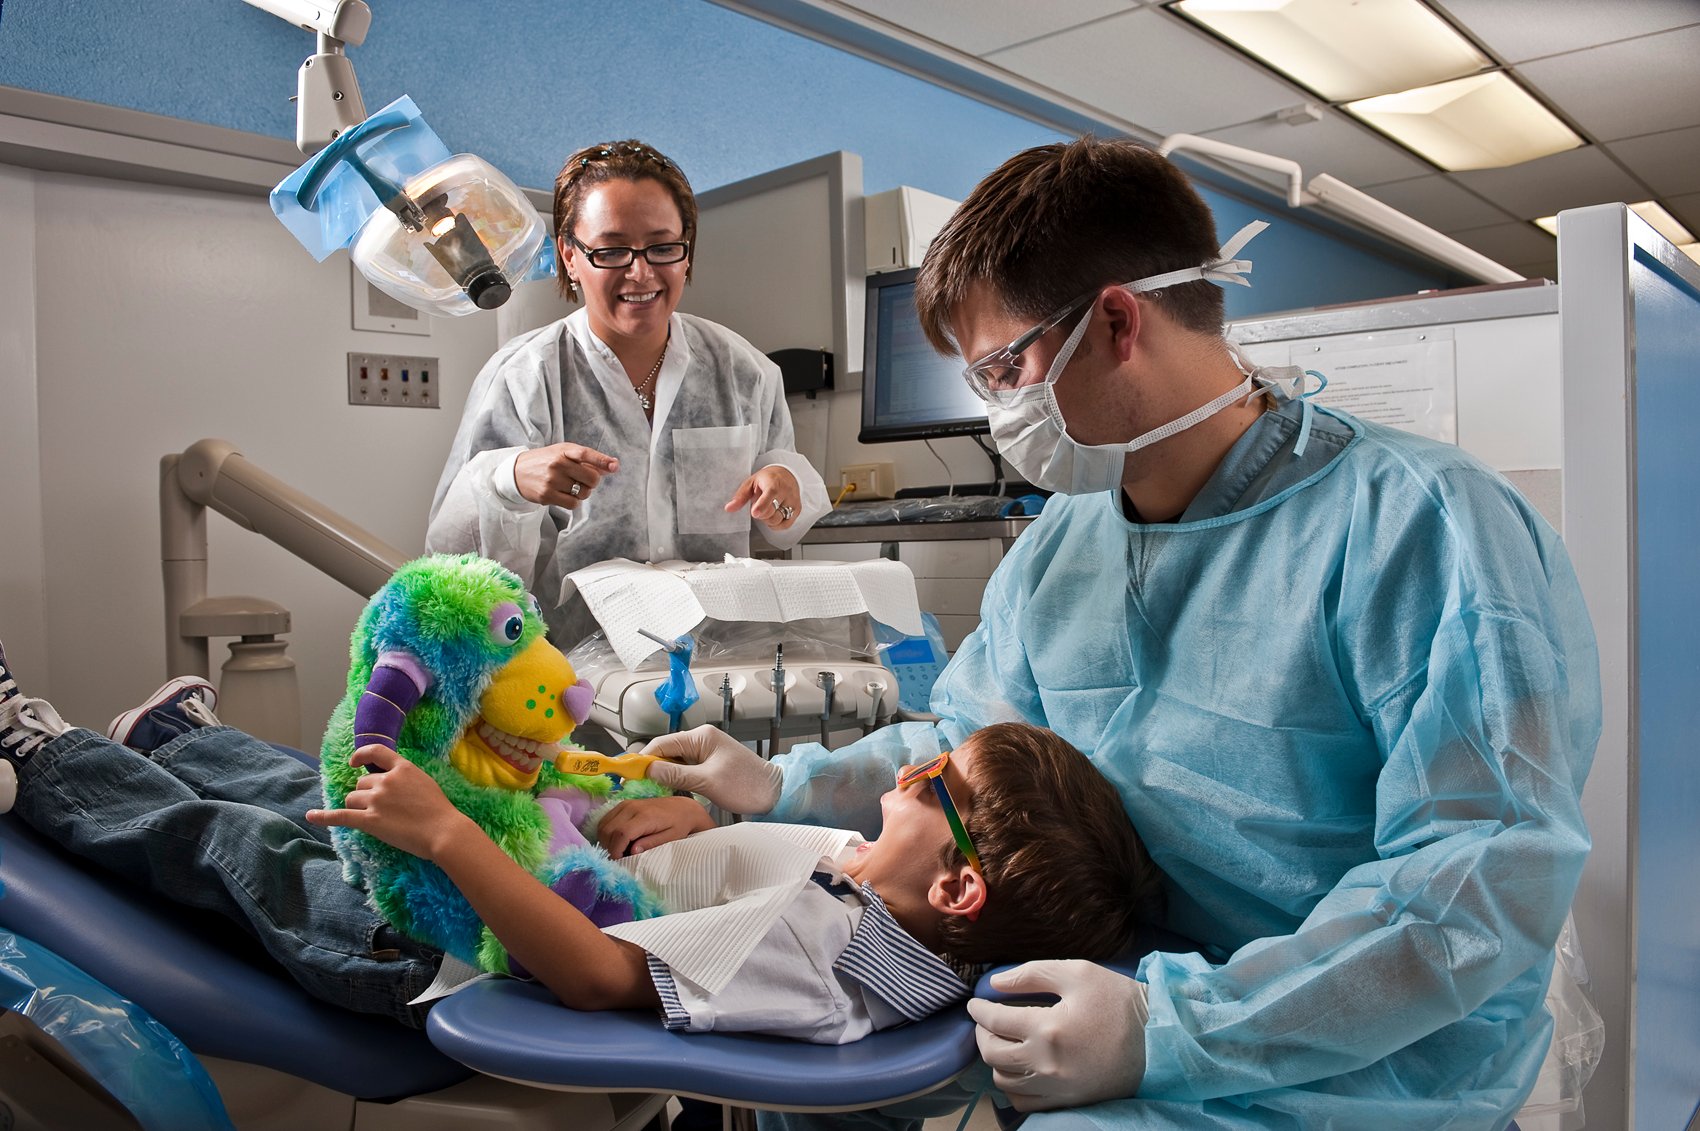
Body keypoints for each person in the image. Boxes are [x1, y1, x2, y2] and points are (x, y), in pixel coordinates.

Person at [614, 138, 1602, 1130]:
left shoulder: (1424, 527)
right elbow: (966, 753)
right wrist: (778, 787)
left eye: (1003, 366)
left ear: (1116, 321)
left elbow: (1475, 884)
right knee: (802, 1083)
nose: (997, 410)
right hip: (1106, 974)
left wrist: (1168, 1029)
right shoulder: (1064, 545)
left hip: (1350, 1049)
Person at [0, 645, 1161, 1044]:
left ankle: (45, 765)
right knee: (320, 792)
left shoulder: (829, 954)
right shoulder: (880, 918)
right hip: (535, 892)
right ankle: (170, 739)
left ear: (955, 885)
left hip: (430, 955)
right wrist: (707, 820)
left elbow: (606, 977)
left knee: (248, 848)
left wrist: (456, 837)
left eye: (929, 783)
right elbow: (774, 868)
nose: (899, 776)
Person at [427, 139, 831, 648]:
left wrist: (786, 487)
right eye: (612, 250)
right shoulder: (525, 376)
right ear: (570, 257)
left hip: (717, 668)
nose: (640, 272)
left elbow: (783, 525)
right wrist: (508, 480)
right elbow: (449, 560)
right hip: (569, 683)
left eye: (662, 247)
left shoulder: (744, 372)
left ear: (687, 255)